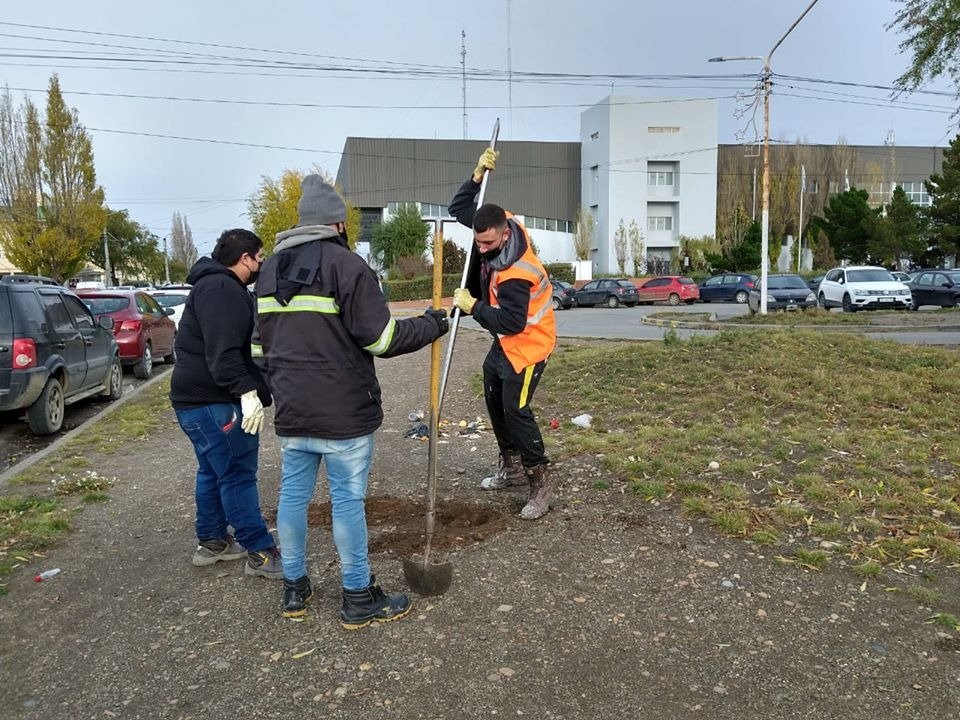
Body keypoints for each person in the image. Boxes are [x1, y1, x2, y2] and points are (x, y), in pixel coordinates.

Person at [255, 175, 449, 627]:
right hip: (344, 414)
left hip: (292, 412)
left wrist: (281, 388)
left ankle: (294, 589)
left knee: (292, 497)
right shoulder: (347, 266)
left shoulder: (269, 271)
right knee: (346, 501)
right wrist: (432, 324)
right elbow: (382, 339)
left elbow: (258, 348)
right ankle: (358, 596)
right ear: (339, 224)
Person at [448, 148, 558, 520]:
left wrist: (472, 307)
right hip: (507, 343)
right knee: (493, 391)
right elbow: (458, 208)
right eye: (477, 242)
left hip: (530, 343)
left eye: (488, 245)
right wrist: (476, 175)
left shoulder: (517, 272)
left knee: (516, 408)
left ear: (505, 234)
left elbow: (511, 322)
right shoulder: (496, 222)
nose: (481, 249)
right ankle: (510, 466)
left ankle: (540, 482)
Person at [170, 229, 282, 579]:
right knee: (237, 474)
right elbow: (223, 352)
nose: (261, 264)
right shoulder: (221, 289)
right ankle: (260, 552)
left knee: (212, 470)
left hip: (195, 401)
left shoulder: (211, 285)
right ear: (244, 258)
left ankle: (213, 542)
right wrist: (247, 392)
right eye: (259, 258)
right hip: (216, 402)